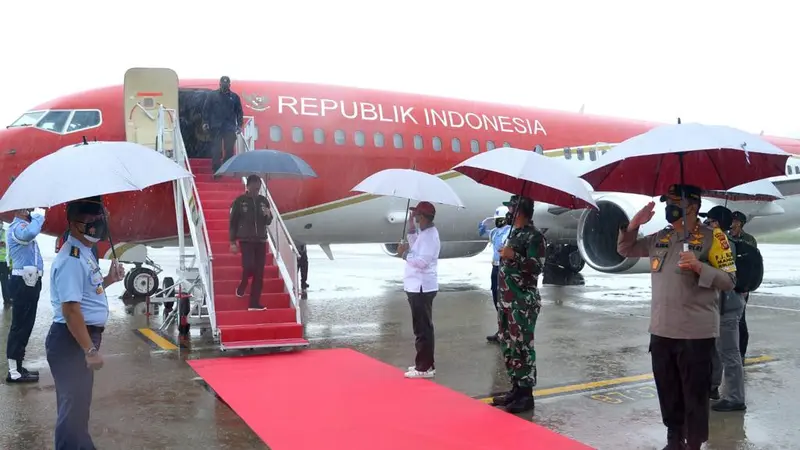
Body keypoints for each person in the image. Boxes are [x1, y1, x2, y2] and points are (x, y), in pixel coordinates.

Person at [617, 184, 736, 450]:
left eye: (673, 201)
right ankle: (674, 441)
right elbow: (626, 249)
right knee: (668, 392)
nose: (667, 207)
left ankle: (693, 444)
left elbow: (729, 281)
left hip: (695, 332)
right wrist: (634, 223)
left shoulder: (713, 237)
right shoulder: (663, 236)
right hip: (662, 329)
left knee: (695, 396)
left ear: (692, 206)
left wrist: (699, 266)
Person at [47, 196, 125, 449]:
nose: (95, 225)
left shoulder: (84, 251)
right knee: (73, 410)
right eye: (89, 220)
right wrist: (89, 350)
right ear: (73, 223)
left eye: (97, 219)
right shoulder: (71, 258)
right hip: (71, 341)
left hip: (77, 338)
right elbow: (70, 310)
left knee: (76, 408)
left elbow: (87, 291)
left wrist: (109, 280)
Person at [490, 195, 545, 414]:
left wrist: (513, 255)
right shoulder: (515, 233)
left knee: (522, 347)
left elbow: (536, 267)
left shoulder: (535, 238)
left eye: (511, 208)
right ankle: (515, 388)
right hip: (507, 301)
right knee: (509, 345)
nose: (508, 213)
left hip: (522, 302)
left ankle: (526, 395)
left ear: (519, 211)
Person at [702, 206, 747, 412]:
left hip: (727, 306)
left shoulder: (723, 243)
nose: (707, 224)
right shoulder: (720, 240)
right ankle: (712, 388)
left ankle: (735, 398)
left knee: (729, 353)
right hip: (721, 305)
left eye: (710, 221)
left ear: (718, 223)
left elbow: (721, 274)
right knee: (716, 351)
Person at [397, 201, 441, 379]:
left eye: (416, 217)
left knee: (422, 329)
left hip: (421, 287)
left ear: (423, 217)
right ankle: (426, 362)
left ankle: (424, 367)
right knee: (422, 327)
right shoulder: (425, 233)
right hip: (417, 286)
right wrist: (409, 227)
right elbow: (415, 243)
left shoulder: (430, 236)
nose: (415, 219)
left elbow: (421, 262)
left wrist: (404, 254)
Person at [5, 208, 46, 383]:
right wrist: (38, 217)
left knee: (26, 325)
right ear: (21, 211)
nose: (30, 212)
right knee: (19, 325)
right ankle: (14, 372)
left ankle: (18, 366)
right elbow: (29, 233)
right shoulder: (17, 227)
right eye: (28, 209)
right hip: (23, 282)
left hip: (30, 281)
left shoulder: (22, 225)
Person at [229, 175, 273, 310]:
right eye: (254, 188)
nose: (256, 191)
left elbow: (268, 222)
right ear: (248, 187)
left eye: (258, 189)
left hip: (260, 240)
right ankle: (243, 283)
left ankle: (254, 303)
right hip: (246, 240)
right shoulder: (239, 201)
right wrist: (232, 241)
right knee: (249, 266)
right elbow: (233, 222)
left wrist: (268, 215)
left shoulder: (263, 201)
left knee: (259, 274)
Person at [477, 205, 511, 343]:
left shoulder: (510, 231)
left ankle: (507, 330)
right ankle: (501, 329)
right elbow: (484, 233)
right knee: (496, 297)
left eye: (500, 220)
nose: (498, 222)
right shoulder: (496, 232)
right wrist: (483, 226)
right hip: (495, 267)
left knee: (503, 299)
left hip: (504, 267)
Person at [202, 76, 244, 175]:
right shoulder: (212, 95)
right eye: (222, 84)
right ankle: (216, 170)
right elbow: (206, 109)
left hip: (229, 126)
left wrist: (239, 125)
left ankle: (226, 168)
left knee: (229, 149)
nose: (224, 86)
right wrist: (205, 122)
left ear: (229, 85)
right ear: (219, 84)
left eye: (226, 85)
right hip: (216, 126)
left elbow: (239, 112)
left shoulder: (234, 97)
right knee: (216, 150)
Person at [730, 210, 756, 362]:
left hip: (742, 284)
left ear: (739, 223)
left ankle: (741, 353)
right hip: (729, 282)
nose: (731, 224)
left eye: (733, 221)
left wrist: (747, 286)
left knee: (740, 320)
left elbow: (751, 263)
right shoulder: (725, 237)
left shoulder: (748, 240)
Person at [0, 222, 10, 308]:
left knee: (5, 282)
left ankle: (7, 300)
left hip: (3, 261)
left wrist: (4, 244)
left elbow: (9, 244)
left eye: (1, 222)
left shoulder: (5, 232)